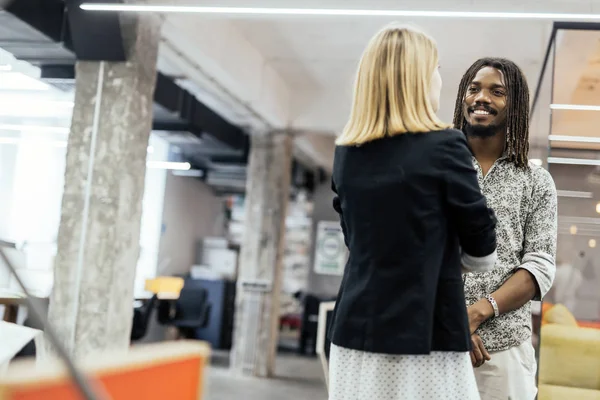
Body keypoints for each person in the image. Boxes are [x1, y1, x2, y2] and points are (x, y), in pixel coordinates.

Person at [327, 24, 498, 400]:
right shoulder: (446, 145)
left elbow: (356, 240)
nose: (440, 79)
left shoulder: (346, 154)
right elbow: (483, 250)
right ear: (419, 79)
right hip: (426, 335)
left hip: (355, 332)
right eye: (436, 69)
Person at [452, 57, 558, 400]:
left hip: (504, 351)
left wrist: (477, 313)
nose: (481, 97)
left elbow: (539, 266)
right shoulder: (440, 168)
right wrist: (453, 320)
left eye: (496, 92)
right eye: (474, 88)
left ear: (513, 106)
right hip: (435, 341)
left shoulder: (536, 180)